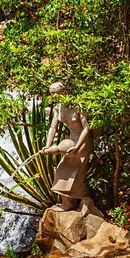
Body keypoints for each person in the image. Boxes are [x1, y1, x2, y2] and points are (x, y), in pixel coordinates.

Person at [40, 82, 94, 211]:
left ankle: (80, 201)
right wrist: (48, 146)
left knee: (76, 173)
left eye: (56, 95)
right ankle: (71, 201)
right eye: (52, 95)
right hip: (70, 142)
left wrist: (78, 146)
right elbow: (53, 127)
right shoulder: (58, 108)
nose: (54, 98)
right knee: (61, 170)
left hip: (83, 142)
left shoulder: (78, 106)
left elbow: (87, 128)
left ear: (64, 93)